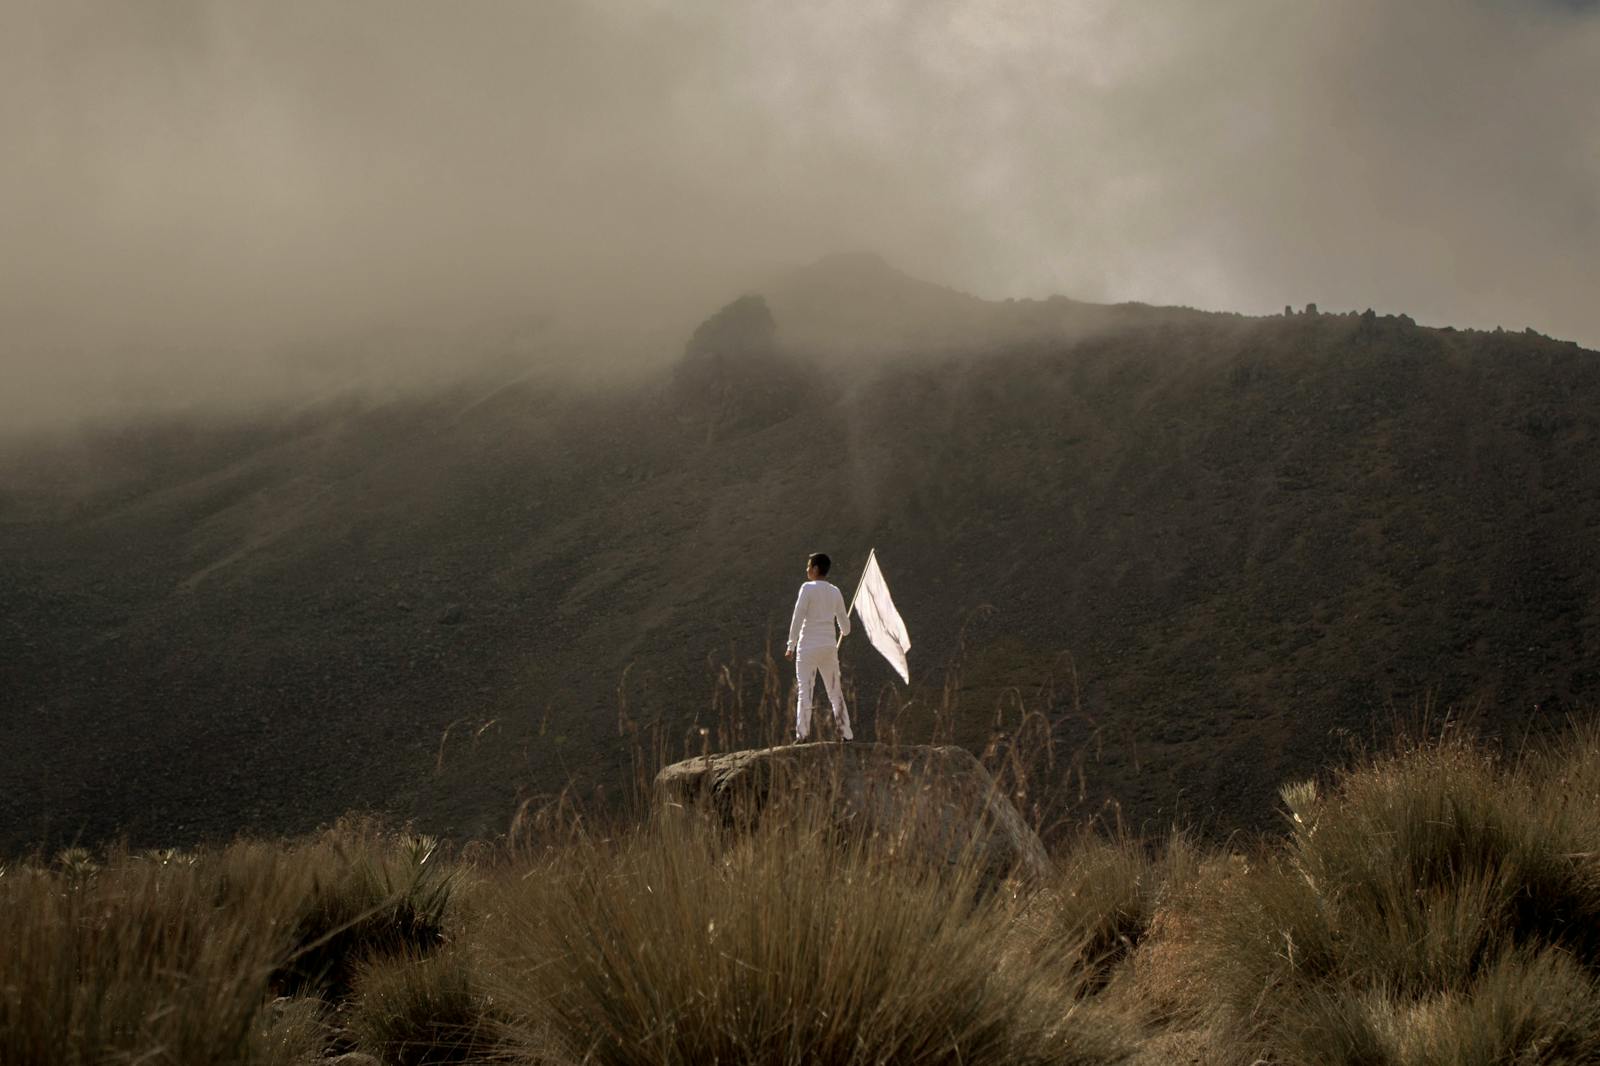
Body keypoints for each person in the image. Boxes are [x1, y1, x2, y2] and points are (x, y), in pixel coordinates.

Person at [785, 552, 853, 741]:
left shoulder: (807, 588)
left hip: (807, 648)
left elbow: (797, 618)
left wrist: (791, 645)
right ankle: (846, 733)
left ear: (815, 569)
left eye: (808, 566)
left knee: (805, 690)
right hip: (829, 648)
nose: (807, 570)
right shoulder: (835, 591)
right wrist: (843, 628)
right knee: (835, 691)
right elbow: (846, 628)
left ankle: (803, 734)